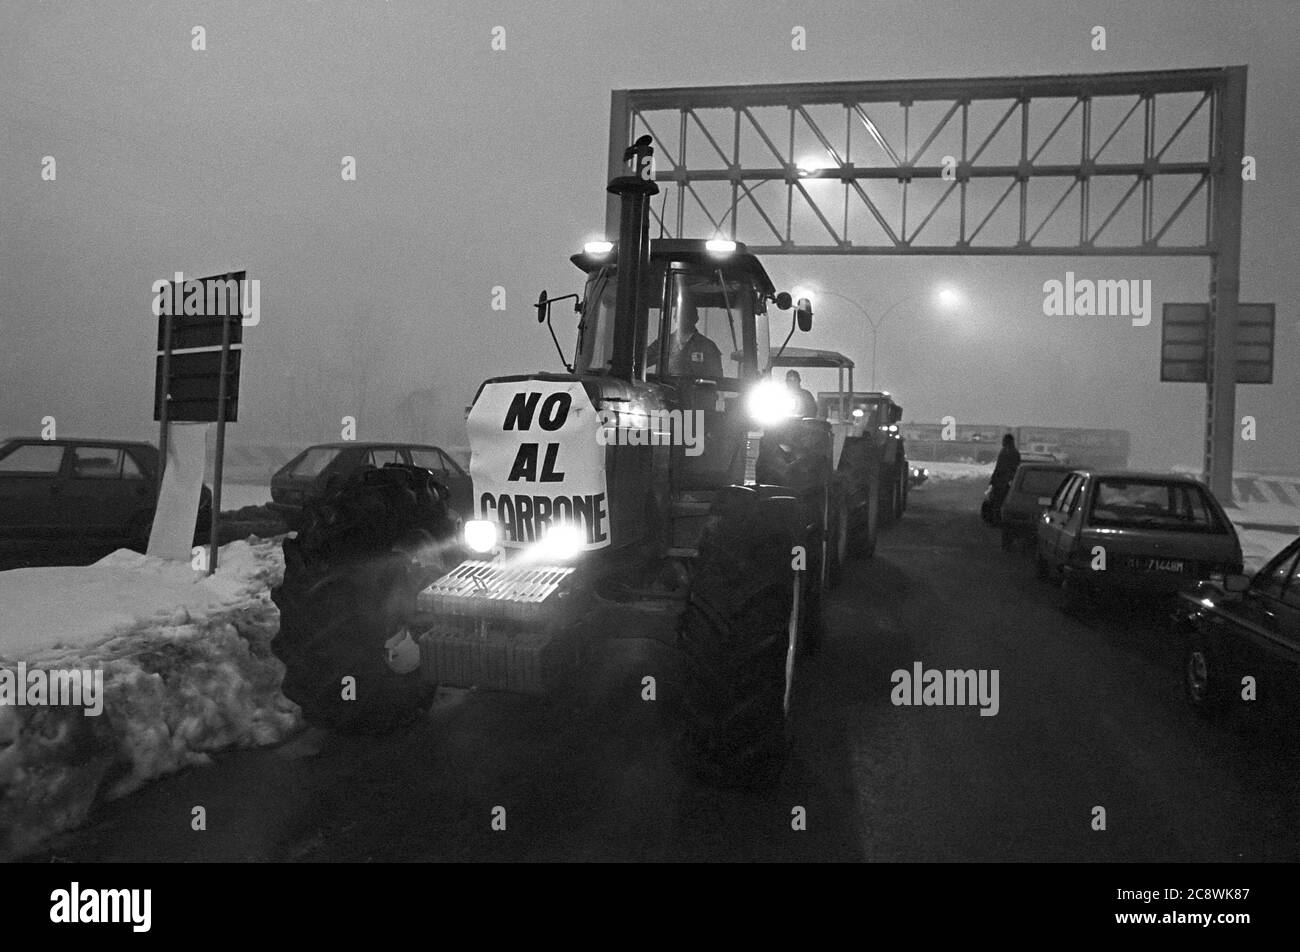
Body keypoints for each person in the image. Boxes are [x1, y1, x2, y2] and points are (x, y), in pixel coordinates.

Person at [647, 296, 724, 378]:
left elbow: (717, 381)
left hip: (696, 390)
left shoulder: (708, 347)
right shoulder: (663, 344)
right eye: (680, 315)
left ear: (695, 319)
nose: (683, 319)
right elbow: (639, 363)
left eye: (688, 315)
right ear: (675, 318)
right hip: (665, 389)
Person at [984, 433, 1021, 524]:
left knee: (998, 502)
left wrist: (993, 480)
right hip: (1005, 482)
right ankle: (998, 519)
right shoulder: (1013, 452)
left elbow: (1000, 468)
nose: (1002, 442)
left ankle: (997, 520)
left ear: (1007, 441)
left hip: (1003, 482)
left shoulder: (1007, 452)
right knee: (999, 502)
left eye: (1004, 441)